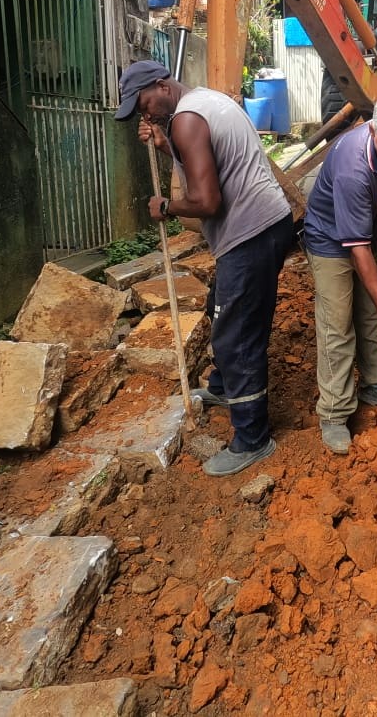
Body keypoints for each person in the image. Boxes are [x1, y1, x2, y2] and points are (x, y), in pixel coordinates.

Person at [116, 60, 295, 477]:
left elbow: (207, 202)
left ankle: (253, 438)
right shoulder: (202, 102)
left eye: (143, 103)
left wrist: (166, 206)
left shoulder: (186, 121)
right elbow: (203, 158)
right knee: (223, 303)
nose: (143, 113)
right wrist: (165, 146)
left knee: (236, 335)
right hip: (267, 224)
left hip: (249, 232)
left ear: (161, 86)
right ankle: (224, 387)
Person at [301, 94, 377, 455]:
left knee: (372, 314)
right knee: (337, 322)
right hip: (328, 239)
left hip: (368, 227)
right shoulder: (352, 167)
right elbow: (356, 251)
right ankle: (335, 411)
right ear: (372, 130)